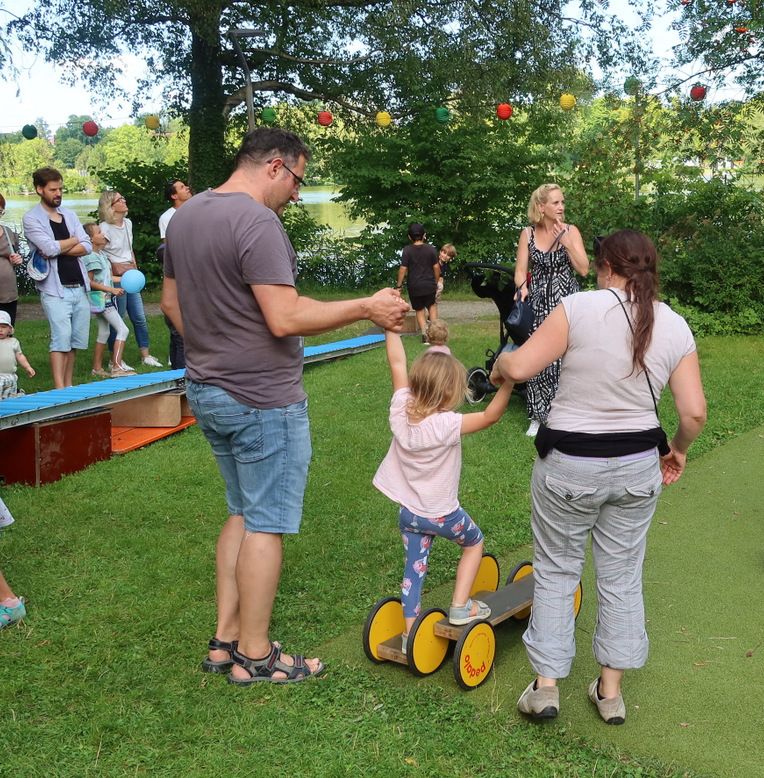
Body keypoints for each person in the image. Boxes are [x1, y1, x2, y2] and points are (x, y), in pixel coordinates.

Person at [160, 127, 409, 685]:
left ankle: (224, 642)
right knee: (265, 524)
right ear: (275, 165)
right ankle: (255, 654)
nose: (297, 193)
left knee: (241, 512)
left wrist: (214, 350)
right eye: (297, 179)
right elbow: (285, 316)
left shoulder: (187, 216)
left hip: (208, 389)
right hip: (262, 400)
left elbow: (171, 303)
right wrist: (367, 307)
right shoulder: (256, 221)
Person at [490, 229, 706, 725]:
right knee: (622, 576)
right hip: (637, 466)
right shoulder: (674, 324)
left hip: (569, 464)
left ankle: (546, 688)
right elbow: (694, 412)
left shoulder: (578, 307)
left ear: (605, 267)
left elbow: (519, 366)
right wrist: (677, 450)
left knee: (556, 571)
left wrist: (501, 362)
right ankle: (610, 693)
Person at [374, 331, 514, 651]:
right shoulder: (446, 424)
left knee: (414, 568)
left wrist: (390, 328)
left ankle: (410, 633)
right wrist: (509, 383)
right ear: (450, 392)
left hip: (409, 514)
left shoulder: (401, 408)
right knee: (474, 543)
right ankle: (461, 607)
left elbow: (396, 362)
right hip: (442, 515)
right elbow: (490, 416)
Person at [513, 183, 588, 437]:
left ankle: (569, 412)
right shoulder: (527, 234)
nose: (561, 207)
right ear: (541, 207)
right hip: (538, 302)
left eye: (562, 202)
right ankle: (538, 415)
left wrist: (567, 243)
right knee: (538, 355)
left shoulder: (571, 231)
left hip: (566, 302)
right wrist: (521, 287)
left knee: (568, 357)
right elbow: (520, 270)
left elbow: (584, 269)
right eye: (556, 202)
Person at [22, 167, 92, 389]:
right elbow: (48, 248)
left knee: (75, 341)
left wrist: (63, 246)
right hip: (55, 289)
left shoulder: (69, 215)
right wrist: (74, 240)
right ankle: (59, 388)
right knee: (61, 339)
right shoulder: (31, 218)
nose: (58, 193)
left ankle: (69, 386)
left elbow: (88, 245)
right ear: (39, 189)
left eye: (60, 188)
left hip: (79, 286)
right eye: (53, 189)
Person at [98, 191, 163, 370]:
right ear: (111, 207)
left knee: (139, 317)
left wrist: (134, 267)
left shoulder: (128, 223)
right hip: (116, 277)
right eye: (120, 199)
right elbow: (100, 254)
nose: (124, 200)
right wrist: (113, 275)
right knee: (118, 319)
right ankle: (114, 359)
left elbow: (129, 248)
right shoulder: (104, 228)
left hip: (131, 275)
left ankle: (146, 355)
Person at [82, 223, 132, 378]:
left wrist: (126, 279)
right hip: (102, 300)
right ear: (90, 239)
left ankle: (96, 368)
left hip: (104, 300)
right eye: (99, 232)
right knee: (123, 330)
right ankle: (117, 367)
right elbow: (89, 282)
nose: (103, 234)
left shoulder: (102, 255)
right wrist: (111, 290)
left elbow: (108, 277)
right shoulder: (90, 257)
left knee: (104, 332)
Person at [158, 179, 192, 369]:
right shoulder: (167, 217)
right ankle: (178, 372)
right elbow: (168, 249)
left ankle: (177, 367)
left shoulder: (195, 210)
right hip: (179, 274)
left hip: (193, 272)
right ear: (173, 195)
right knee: (178, 329)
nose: (187, 188)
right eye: (181, 187)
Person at [396, 223, 440, 342]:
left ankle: (425, 335)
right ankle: (435, 334)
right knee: (432, 306)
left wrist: (399, 285)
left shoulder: (407, 250)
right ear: (424, 235)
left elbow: (403, 269)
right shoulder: (431, 249)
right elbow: (436, 267)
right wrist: (435, 282)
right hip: (429, 284)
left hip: (414, 286)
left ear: (409, 237)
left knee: (419, 310)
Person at [0, 192, 24, 326]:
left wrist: (17, 260)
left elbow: (15, 257)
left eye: (0, 212)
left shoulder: (8, 233)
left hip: (8, 293)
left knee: (6, 331)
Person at [0, 310, 35, 398]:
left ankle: (15, 397)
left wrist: (27, 367)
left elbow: (20, 356)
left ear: (9, 329)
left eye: (3, 327)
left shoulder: (13, 342)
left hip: (10, 376)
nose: (0, 330)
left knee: (10, 398)